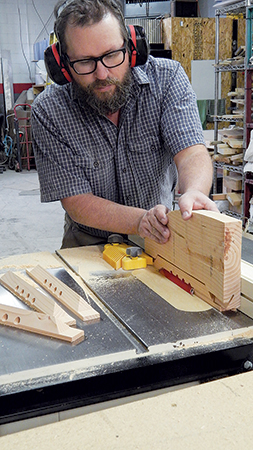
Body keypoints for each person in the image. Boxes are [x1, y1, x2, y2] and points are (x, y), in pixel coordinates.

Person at [31, 0, 218, 249]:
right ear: (63, 66)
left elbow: (191, 152)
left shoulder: (168, 79)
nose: (102, 74)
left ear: (132, 48)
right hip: (87, 241)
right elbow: (78, 202)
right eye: (85, 62)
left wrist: (195, 192)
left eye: (111, 55)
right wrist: (140, 220)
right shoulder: (49, 110)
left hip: (160, 235)